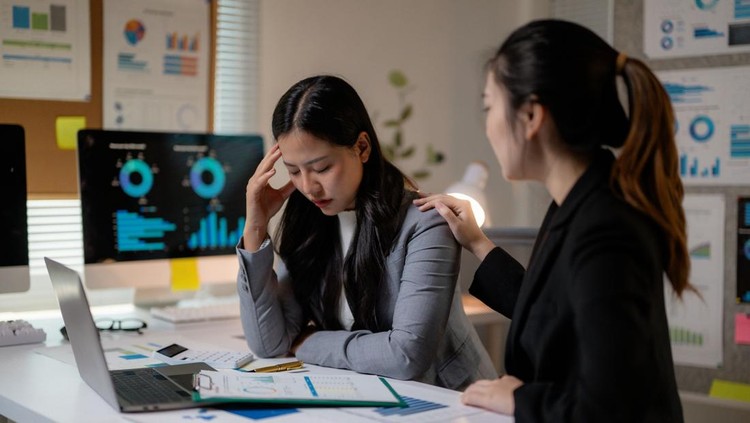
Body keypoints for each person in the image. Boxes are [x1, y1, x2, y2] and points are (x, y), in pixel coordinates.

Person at [415, 19, 689, 421]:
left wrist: (520, 399)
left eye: (490, 107)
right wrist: (477, 242)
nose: (488, 125)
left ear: (530, 116)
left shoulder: (606, 226)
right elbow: (554, 311)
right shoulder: (581, 201)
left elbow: (609, 406)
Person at [236, 75, 497, 390]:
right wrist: (255, 226)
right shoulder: (310, 224)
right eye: (294, 171)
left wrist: (310, 343)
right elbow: (269, 343)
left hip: (451, 403)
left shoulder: (426, 224)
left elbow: (406, 355)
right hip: (362, 397)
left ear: (361, 147)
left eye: (321, 168)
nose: (307, 186)